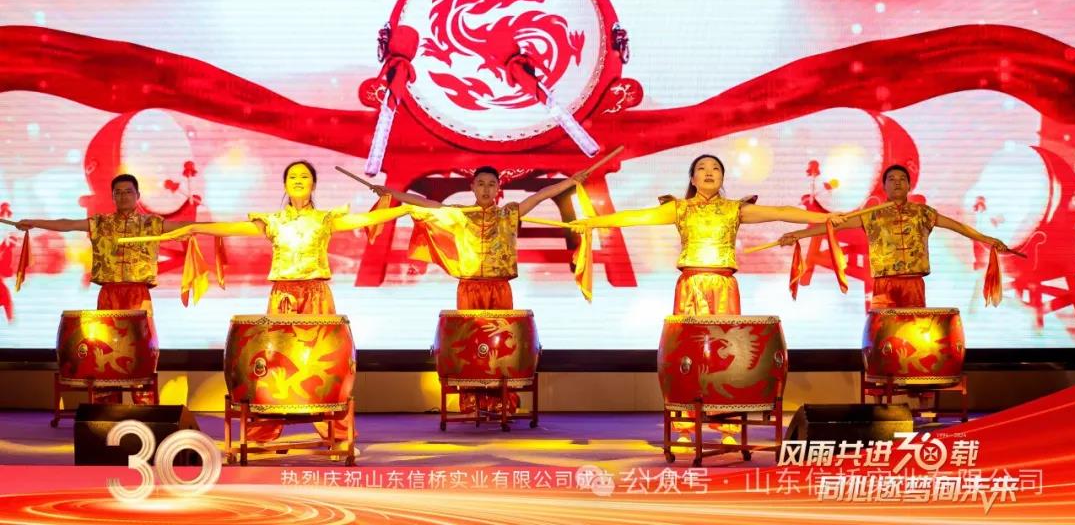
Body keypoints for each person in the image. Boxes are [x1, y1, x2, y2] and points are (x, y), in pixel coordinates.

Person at [571, 154, 846, 315]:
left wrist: (825, 217)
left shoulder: (735, 209)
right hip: (690, 284)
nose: (709, 172)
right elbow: (634, 217)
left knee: (724, 346)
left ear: (722, 178)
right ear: (693, 179)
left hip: (724, 285)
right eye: (701, 169)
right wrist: (592, 222)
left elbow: (781, 211)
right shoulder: (679, 208)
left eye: (715, 169)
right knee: (690, 348)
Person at [17, 173, 192, 403]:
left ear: (137, 195)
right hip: (109, 293)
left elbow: (184, 226)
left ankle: (145, 404)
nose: (123, 196)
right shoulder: (101, 223)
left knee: (141, 345)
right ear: (112, 197)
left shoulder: (152, 223)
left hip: (138, 293)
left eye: (128, 191)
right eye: (118, 192)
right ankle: (108, 404)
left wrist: (226, 228)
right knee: (106, 346)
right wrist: (34, 222)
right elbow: (68, 224)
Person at [157, 160, 417, 314]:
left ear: (313, 185)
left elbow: (366, 219)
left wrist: (404, 208)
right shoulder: (274, 222)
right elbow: (232, 227)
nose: (298, 180)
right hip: (283, 295)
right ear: (285, 185)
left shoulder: (325, 219)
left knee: (317, 357)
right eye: (292, 177)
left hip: (316, 295)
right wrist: (195, 228)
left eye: (304, 176)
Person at [778, 164, 1007, 308]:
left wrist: (988, 240)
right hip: (884, 284)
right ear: (884, 187)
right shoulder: (871, 215)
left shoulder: (923, 213)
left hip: (913, 284)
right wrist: (798, 234)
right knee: (883, 334)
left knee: (913, 333)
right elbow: (833, 226)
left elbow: (958, 227)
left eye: (902, 179)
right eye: (891, 180)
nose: (897, 183)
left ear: (908, 186)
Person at [373, 165, 587, 308]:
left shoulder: (509, 214)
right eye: (481, 184)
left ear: (498, 188)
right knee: (468, 340)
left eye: (491, 184)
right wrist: (391, 193)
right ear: (473, 187)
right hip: (469, 287)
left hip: (499, 287)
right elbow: (427, 204)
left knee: (499, 340)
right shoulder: (461, 214)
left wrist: (571, 181)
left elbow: (540, 196)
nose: (486, 189)